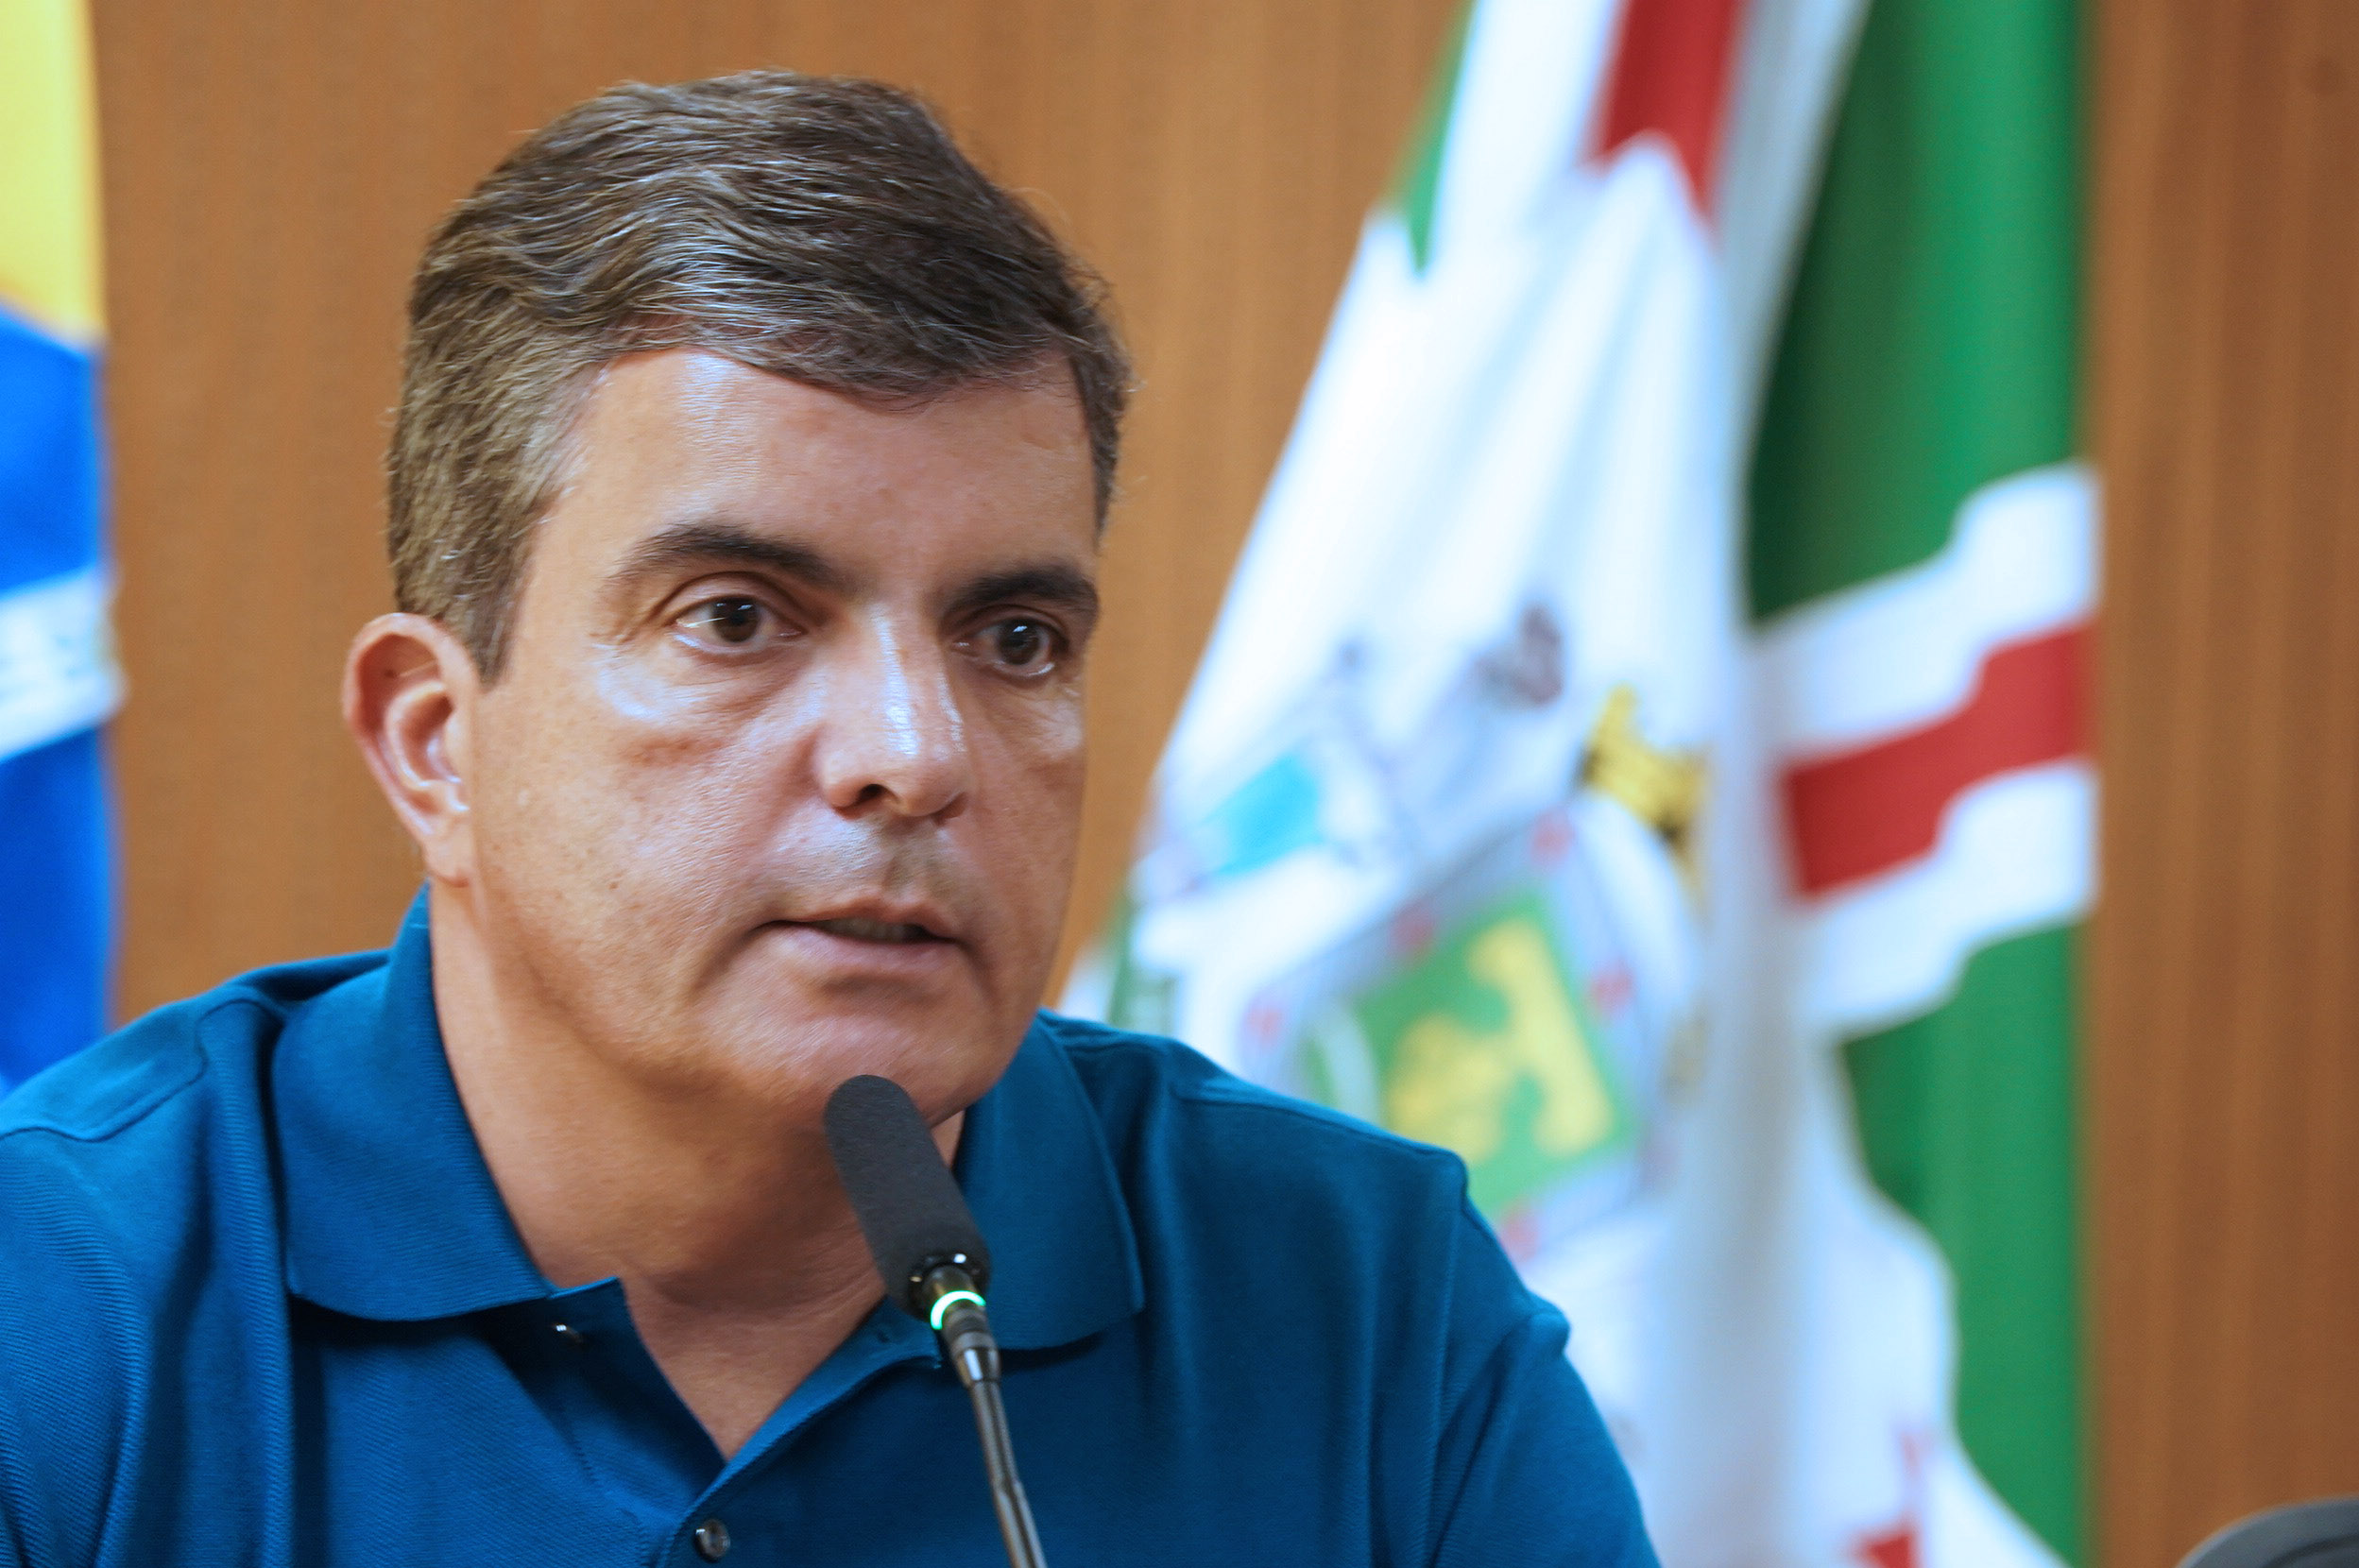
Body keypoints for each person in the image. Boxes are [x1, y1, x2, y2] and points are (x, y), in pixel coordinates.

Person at [0, 73, 1655, 1567]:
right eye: (736, 619)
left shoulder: (1366, 1308)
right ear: (437, 747)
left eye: (1016, 640)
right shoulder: (61, 1312)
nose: (916, 756)